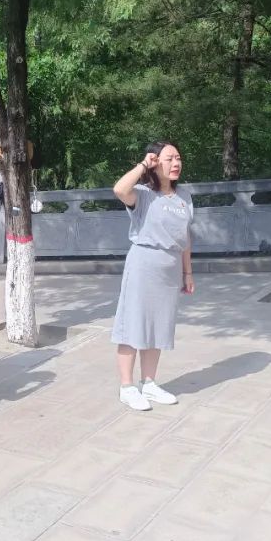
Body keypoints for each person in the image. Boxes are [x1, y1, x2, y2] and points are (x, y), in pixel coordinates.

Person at [111, 141, 194, 412]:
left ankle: (149, 383)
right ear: (156, 163)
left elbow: (185, 237)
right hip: (143, 265)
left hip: (170, 269)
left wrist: (187, 272)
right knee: (133, 324)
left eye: (178, 158)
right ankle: (127, 387)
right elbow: (119, 189)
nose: (176, 163)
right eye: (169, 159)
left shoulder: (184, 197)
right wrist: (143, 165)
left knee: (158, 326)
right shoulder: (144, 194)